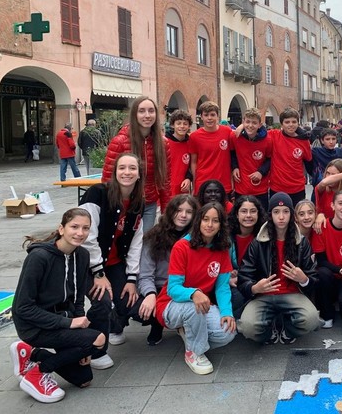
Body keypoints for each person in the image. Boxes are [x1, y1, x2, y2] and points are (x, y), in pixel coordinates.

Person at [10, 208, 105, 403]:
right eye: (74, 227)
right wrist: (69, 325)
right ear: (61, 229)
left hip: (61, 322)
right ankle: (37, 373)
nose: (80, 233)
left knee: (83, 379)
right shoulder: (39, 258)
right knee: (99, 338)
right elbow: (22, 308)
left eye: (85, 228)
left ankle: (32, 354)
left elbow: (78, 299)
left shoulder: (82, 255)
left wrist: (81, 340)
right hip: (34, 326)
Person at [155, 203, 237, 374]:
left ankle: (190, 334)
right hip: (171, 305)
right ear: (198, 221)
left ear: (221, 225)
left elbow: (222, 287)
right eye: (206, 219)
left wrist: (227, 312)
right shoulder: (182, 247)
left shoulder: (222, 249)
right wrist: (194, 293)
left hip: (200, 305)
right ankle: (194, 352)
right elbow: (173, 288)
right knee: (195, 307)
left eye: (215, 221)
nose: (209, 225)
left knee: (228, 333)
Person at [81, 153, 144, 369]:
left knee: (133, 303)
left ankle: (115, 326)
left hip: (115, 263)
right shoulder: (97, 193)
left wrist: (132, 278)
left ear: (139, 174)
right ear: (115, 172)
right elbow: (86, 236)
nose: (127, 172)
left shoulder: (137, 203)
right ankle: (95, 349)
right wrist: (99, 273)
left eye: (132, 168)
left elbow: (136, 242)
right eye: (122, 168)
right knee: (103, 301)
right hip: (87, 263)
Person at [237, 193, 320, 344]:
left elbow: (313, 277)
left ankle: (287, 329)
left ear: (291, 215)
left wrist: (304, 280)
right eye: (276, 212)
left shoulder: (302, 243)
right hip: (263, 296)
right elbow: (244, 277)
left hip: (292, 294)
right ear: (270, 215)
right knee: (248, 328)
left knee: (312, 320)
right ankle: (269, 332)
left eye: (285, 212)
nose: (281, 217)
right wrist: (255, 287)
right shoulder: (257, 243)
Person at [102, 96, 171, 233]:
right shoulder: (120, 142)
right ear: (135, 114)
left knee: (144, 244)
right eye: (142, 111)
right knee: (123, 247)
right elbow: (108, 178)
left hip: (149, 205)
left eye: (151, 111)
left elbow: (165, 180)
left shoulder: (162, 143)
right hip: (124, 204)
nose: (147, 115)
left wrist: (166, 210)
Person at [137, 194, 198, 346]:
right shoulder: (154, 236)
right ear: (170, 211)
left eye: (189, 212)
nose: (183, 215)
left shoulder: (197, 237)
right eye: (178, 210)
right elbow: (145, 274)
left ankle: (184, 323)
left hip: (187, 285)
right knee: (135, 306)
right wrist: (150, 294)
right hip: (160, 286)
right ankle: (156, 323)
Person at [312, 190, 342, 328]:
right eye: (340, 203)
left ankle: (341, 302)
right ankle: (327, 314)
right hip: (330, 276)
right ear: (332, 206)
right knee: (322, 273)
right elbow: (321, 261)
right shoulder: (322, 227)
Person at [226, 195, 267, 319]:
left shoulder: (265, 236)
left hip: (255, 281)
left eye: (253, 211)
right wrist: (227, 277)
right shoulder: (226, 236)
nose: (248, 215)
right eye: (244, 211)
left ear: (258, 214)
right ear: (237, 214)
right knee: (237, 297)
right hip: (230, 281)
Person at [267, 108, 314, 205]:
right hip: (277, 187)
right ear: (281, 124)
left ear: (298, 123)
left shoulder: (304, 141)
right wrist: (241, 127)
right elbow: (257, 131)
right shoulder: (274, 135)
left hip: (297, 187)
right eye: (287, 122)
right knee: (278, 218)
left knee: (297, 217)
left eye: (294, 122)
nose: (291, 124)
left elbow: (309, 160)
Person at [189, 101, 233, 197]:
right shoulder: (194, 136)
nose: (209, 118)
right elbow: (193, 162)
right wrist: (194, 184)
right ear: (201, 117)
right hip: (202, 184)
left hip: (224, 184)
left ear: (218, 116)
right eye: (206, 115)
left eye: (212, 115)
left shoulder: (227, 132)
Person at [232, 107, 272, 210]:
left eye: (254, 123)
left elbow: (270, 159)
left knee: (261, 218)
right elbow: (231, 152)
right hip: (241, 187)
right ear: (243, 122)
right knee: (241, 217)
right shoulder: (235, 137)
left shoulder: (267, 140)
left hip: (260, 188)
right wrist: (235, 167)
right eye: (247, 122)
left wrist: (261, 172)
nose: (250, 125)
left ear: (260, 125)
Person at [313, 159, 342, 232]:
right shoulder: (322, 190)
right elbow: (324, 182)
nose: (329, 176)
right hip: (325, 231)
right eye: (328, 173)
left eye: (333, 174)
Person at [311, 128, 342, 198]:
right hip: (321, 188)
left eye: (333, 139)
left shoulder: (340, 152)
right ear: (322, 140)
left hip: (337, 189)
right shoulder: (316, 152)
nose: (331, 142)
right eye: (327, 139)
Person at [165, 110, 193, 197]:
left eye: (185, 124)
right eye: (179, 123)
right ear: (173, 125)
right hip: (166, 189)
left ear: (189, 126)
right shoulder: (164, 142)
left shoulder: (191, 143)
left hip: (182, 188)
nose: (182, 126)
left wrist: (189, 178)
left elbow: (192, 165)